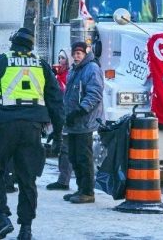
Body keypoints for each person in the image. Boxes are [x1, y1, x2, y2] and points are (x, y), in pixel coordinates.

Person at [0, 27, 64, 240]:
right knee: (27, 179)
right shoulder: (41, 65)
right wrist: (58, 131)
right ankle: (26, 228)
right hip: (32, 128)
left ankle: (2, 217)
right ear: (31, 45)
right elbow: (56, 100)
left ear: (13, 43)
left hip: (2, 125)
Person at [62, 42, 104, 204]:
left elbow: (94, 93)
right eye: (75, 53)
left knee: (83, 157)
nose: (77, 55)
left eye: (80, 53)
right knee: (74, 156)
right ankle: (81, 188)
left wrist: (81, 110)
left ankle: (87, 191)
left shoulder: (91, 68)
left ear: (85, 54)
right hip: (74, 120)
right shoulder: (75, 69)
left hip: (85, 120)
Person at [46, 49, 73, 191]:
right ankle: (63, 179)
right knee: (64, 149)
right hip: (62, 114)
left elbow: (63, 93)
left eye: (63, 58)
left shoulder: (68, 76)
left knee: (66, 148)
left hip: (68, 115)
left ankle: (64, 180)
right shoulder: (60, 76)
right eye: (59, 57)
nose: (60, 60)